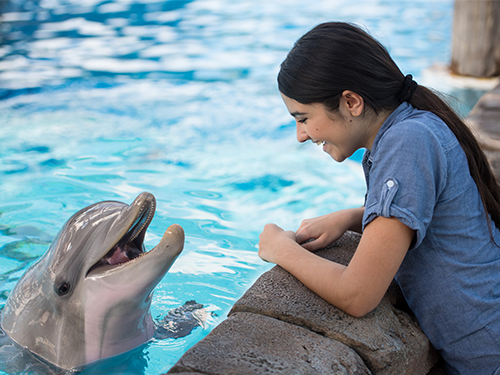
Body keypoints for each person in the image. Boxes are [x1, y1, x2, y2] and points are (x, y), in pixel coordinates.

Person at [258, 22, 500, 375]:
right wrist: (353, 217)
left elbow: (359, 294)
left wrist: (281, 249)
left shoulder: (407, 142)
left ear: (351, 102)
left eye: (303, 118)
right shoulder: (412, 127)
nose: (301, 135)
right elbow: (435, 209)